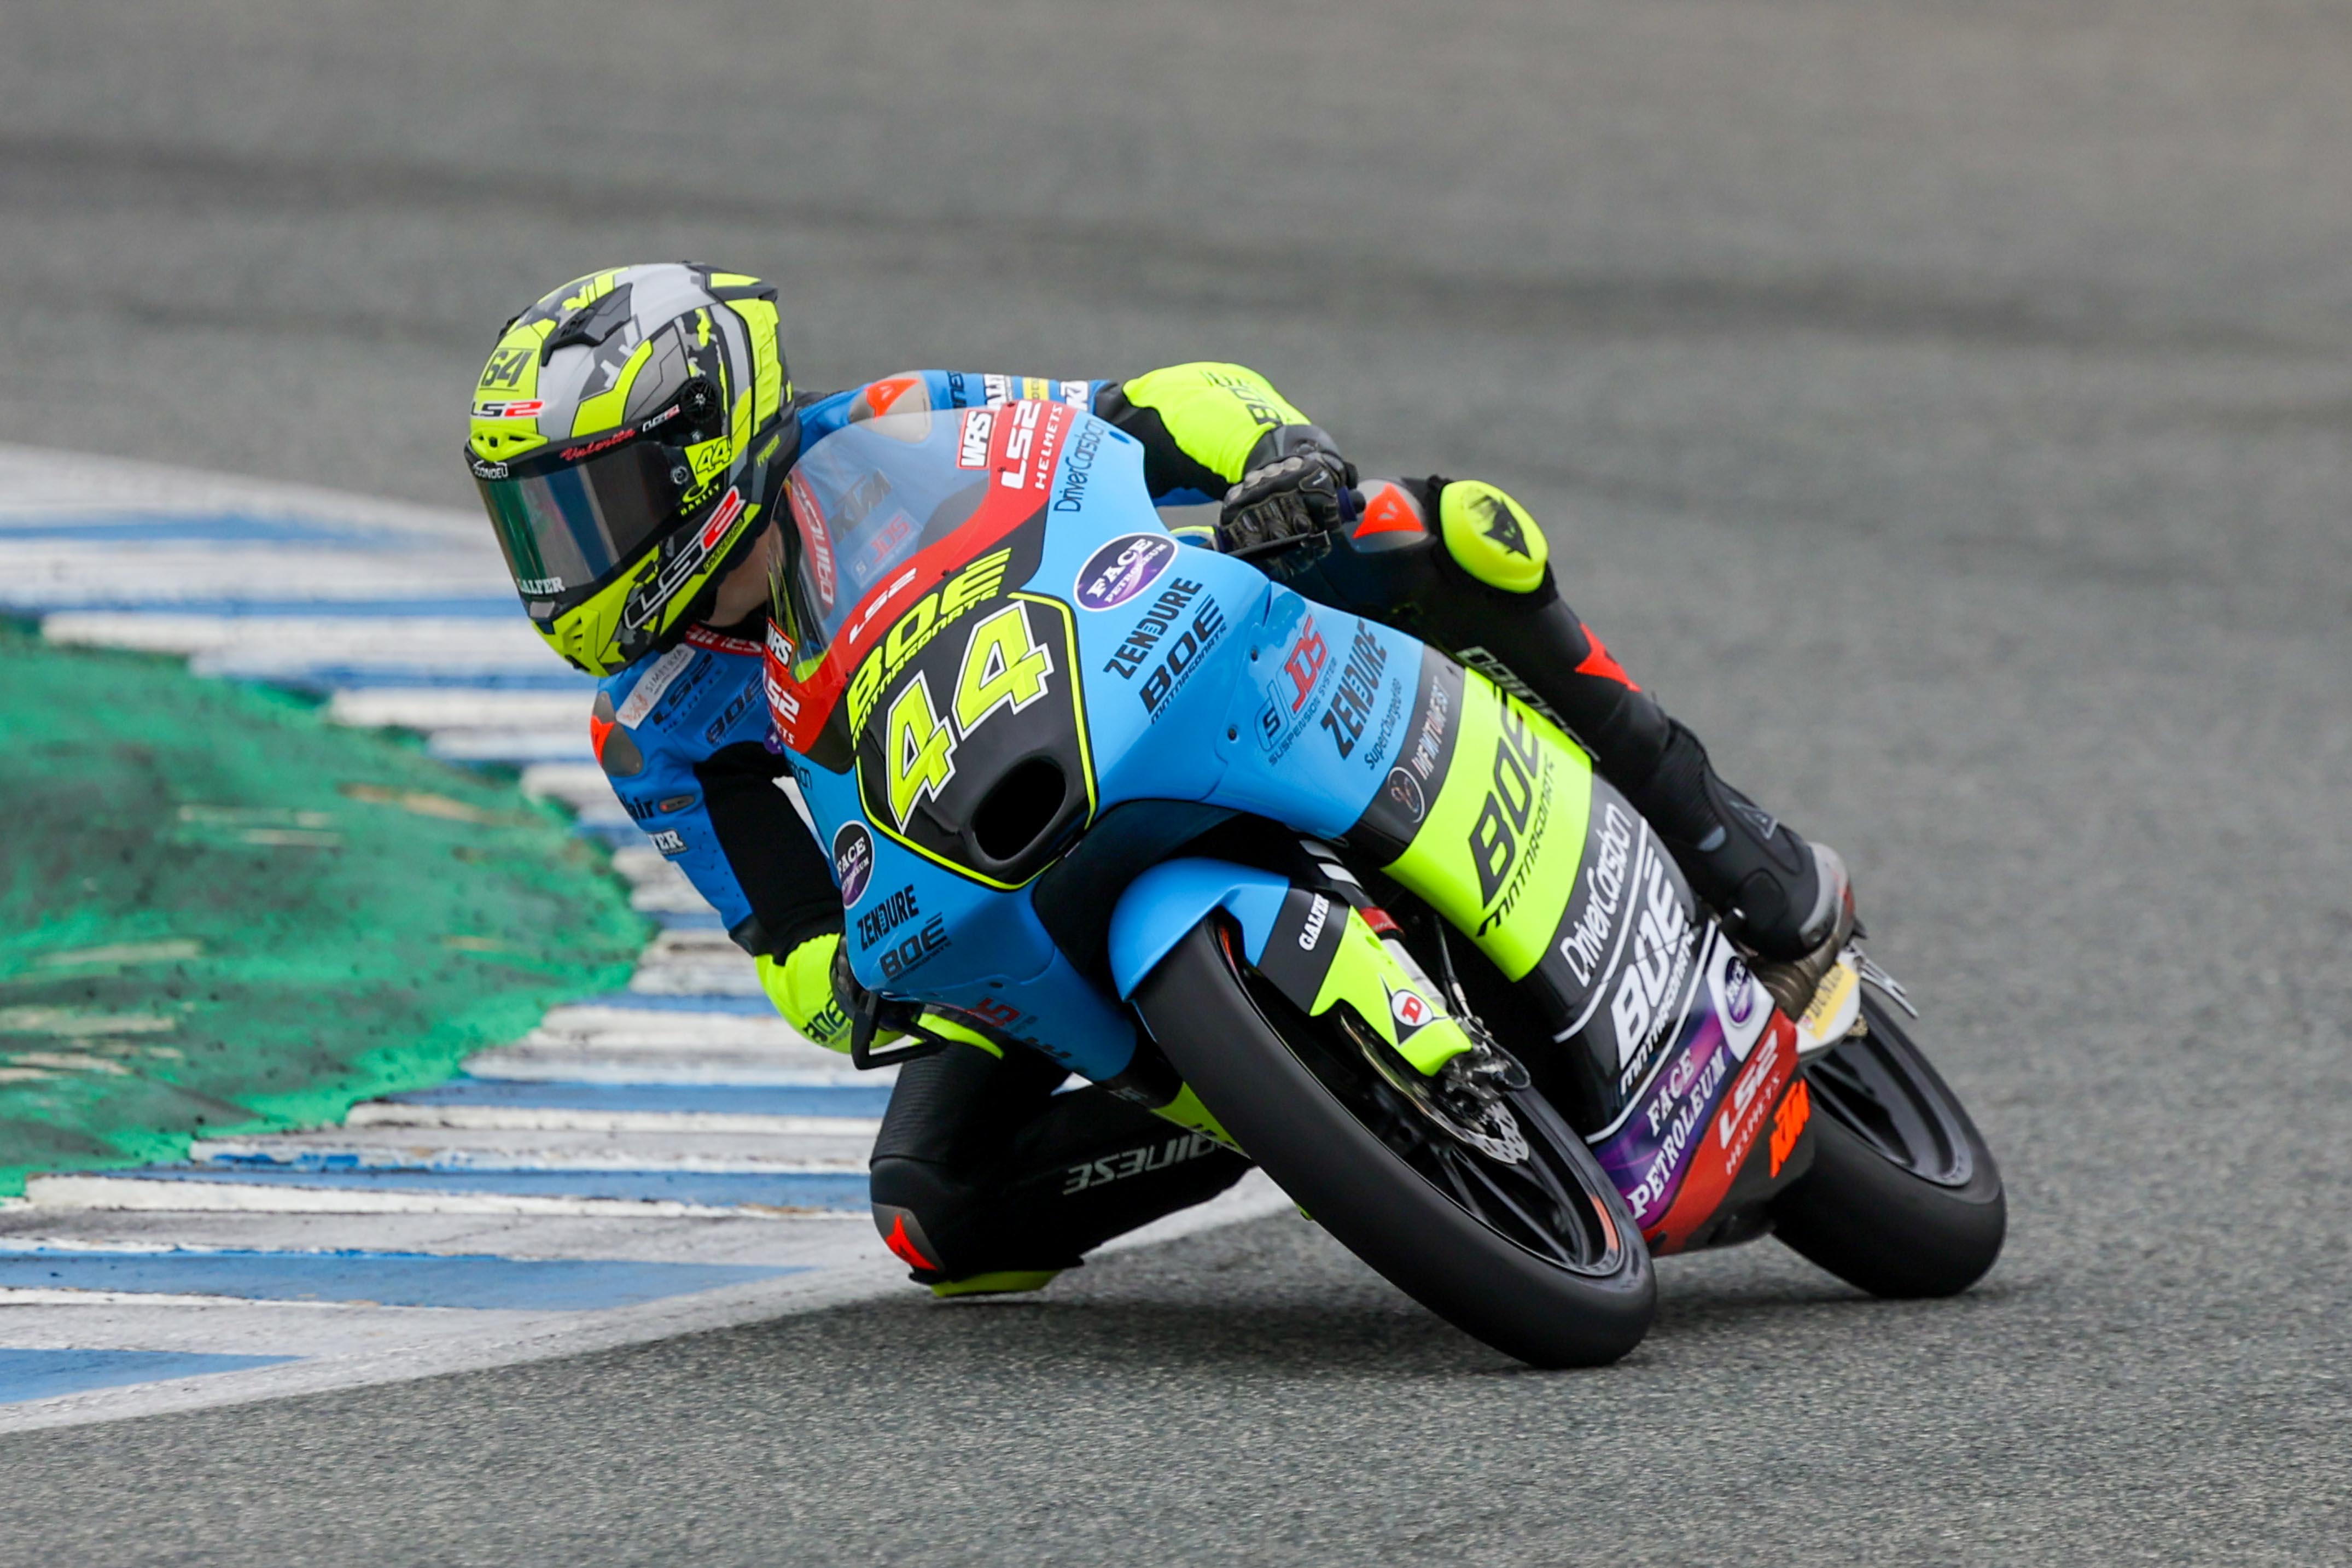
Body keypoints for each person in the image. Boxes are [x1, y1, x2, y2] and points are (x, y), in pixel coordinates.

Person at [465, 263, 1852, 1295]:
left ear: (702, 445)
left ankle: (1724, 837)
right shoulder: (650, 728)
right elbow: (779, 930)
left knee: (1425, 530)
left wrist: (1271, 456)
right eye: (534, 521)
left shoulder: (885, 428)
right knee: (932, 1216)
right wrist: (853, 988)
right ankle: (1283, 1109)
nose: (567, 556)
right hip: (955, 891)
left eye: (592, 504)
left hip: (1137, 679)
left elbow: (1136, 413)